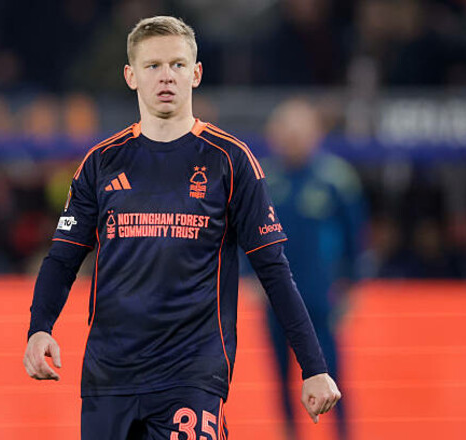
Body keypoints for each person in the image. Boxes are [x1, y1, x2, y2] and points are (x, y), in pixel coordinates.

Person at [23, 16, 341, 440]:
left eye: (177, 64)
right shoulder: (100, 163)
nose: (166, 76)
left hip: (192, 376)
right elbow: (62, 259)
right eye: (153, 66)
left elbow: (274, 270)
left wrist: (313, 367)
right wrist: (40, 328)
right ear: (131, 76)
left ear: (196, 73)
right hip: (109, 379)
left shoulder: (230, 160)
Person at [262, 98, 366, 440]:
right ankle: (290, 433)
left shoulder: (336, 178)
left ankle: (343, 434)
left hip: (319, 297)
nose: (292, 137)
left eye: (299, 129)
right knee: (279, 374)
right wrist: (248, 278)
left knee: (331, 373)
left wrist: (351, 286)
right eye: (286, 129)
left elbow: (355, 236)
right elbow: (242, 235)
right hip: (275, 299)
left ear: (316, 133)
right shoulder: (263, 179)